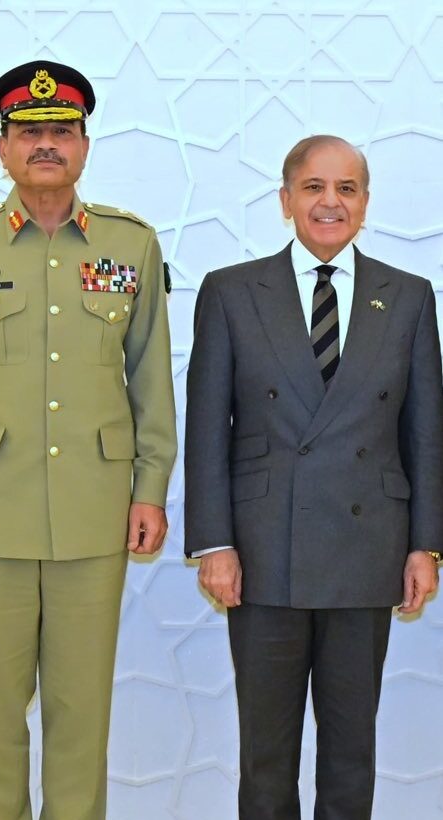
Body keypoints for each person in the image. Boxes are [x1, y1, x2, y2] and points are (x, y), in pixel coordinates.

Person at [0, 59, 176, 820]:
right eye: (28, 132)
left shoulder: (131, 246)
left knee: (81, 719)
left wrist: (150, 490)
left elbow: (151, 382)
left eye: (60, 131)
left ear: (84, 145)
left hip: (94, 513)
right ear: (3, 148)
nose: (45, 144)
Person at [184, 134, 443, 820]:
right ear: (285, 200)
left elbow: (424, 432)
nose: (330, 202)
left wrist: (425, 545)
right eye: (314, 187)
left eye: (346, 189)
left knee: (351, 752)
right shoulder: (231, 292)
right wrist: (214, 543)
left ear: (364, 203)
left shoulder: (408, 296)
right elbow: (207, 428)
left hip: (368, 550)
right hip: (263, 550)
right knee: (266, 756)